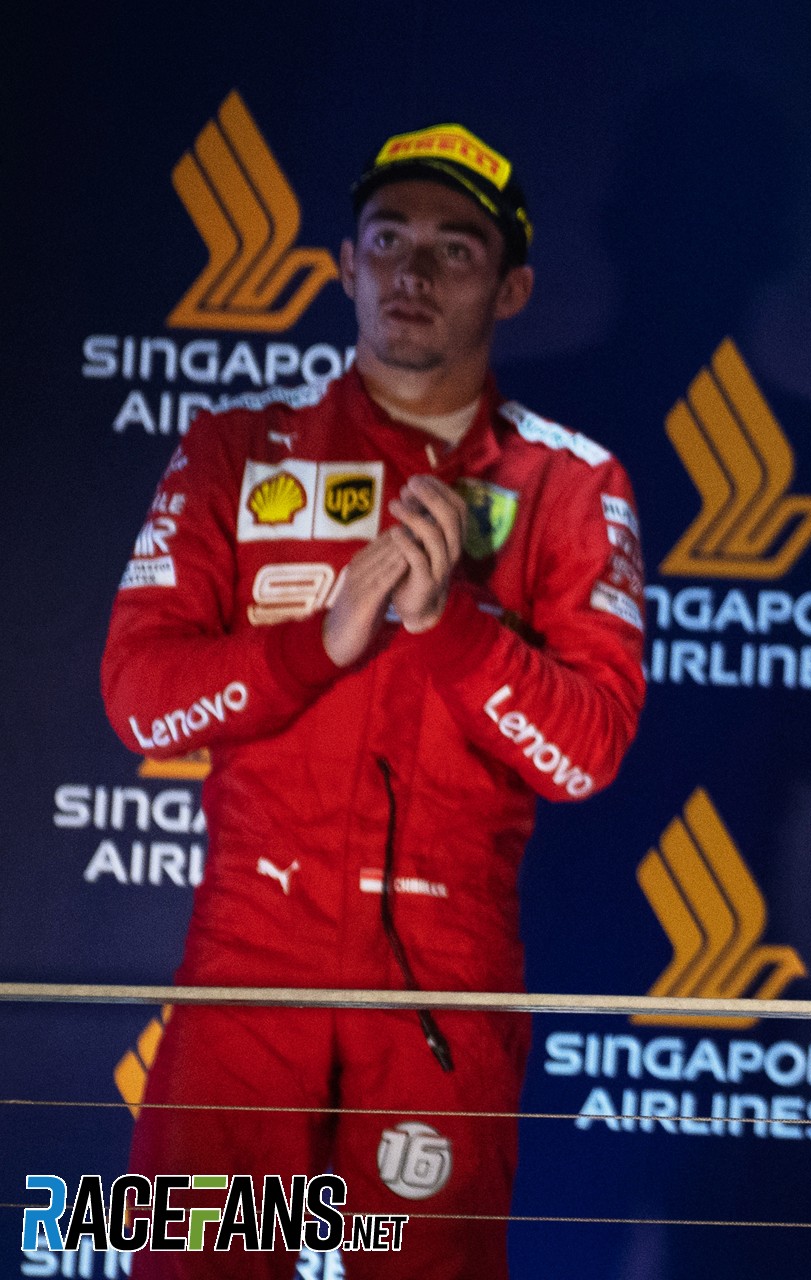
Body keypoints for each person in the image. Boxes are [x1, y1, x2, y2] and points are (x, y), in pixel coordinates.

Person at [101, 122, 648, 1277]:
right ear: (344, 266)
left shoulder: (569, 481)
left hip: (445, 977)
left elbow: (588, 752)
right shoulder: (232, 452)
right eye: (388, 239)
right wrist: (316, 644)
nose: (413, 270)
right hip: (249, 969)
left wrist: (450, 626)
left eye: (455, 249)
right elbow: (139, 701)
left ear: (513, 288)